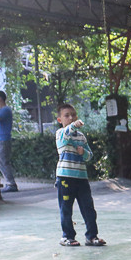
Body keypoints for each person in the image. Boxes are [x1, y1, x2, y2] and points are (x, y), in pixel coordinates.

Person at [54, 104, 104, 247]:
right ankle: (67, 237)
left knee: (88, 208)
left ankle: (92, 236)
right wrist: (73, 125)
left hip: (81, 178)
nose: (71, 118)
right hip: (65, 178)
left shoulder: (81, 137)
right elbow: (68, 132)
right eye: (67, 115)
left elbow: (90, 156)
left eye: (73, 115)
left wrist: (84, 153)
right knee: (66, 208)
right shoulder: (61, 134)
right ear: (59, 119)